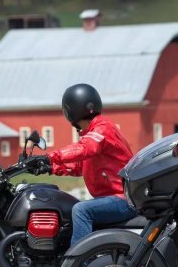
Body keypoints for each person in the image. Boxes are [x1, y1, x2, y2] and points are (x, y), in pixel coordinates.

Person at [25, 83, 137, 245]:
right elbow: (81, 166)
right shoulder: (96, 131)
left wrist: (49, 157)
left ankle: (76, 265)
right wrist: (50, 168)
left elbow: (85, 149)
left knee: (81, 210)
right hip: (115, 198)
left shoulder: (102, 128)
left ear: (71, 111)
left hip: (123, 199)